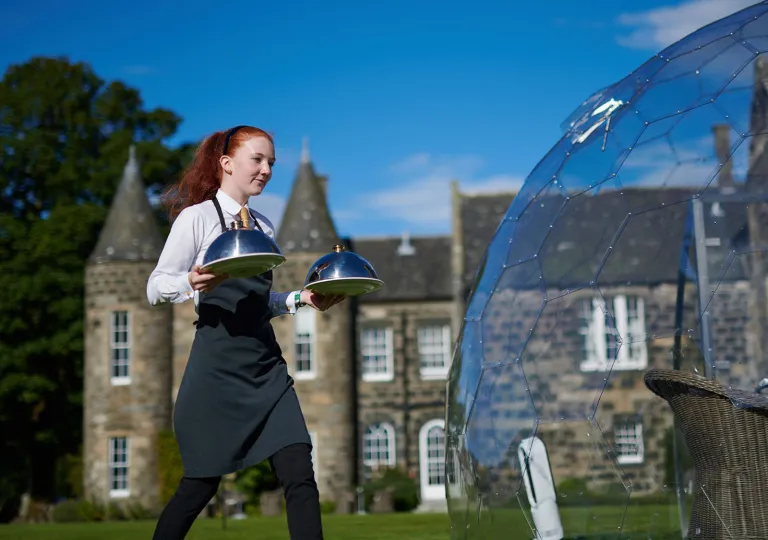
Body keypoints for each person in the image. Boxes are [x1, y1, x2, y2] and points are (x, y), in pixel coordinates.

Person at [146, 125, 344, 540]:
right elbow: (155, 287)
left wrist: (300, 300)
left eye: (271, 161)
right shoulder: (196, 219)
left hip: (266, 369)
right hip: (216, 370)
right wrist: (191, 281)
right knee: (199, 486)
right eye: (257, 159)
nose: (266, 169)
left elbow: (259, 302)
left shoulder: (265, 227)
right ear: (227, 163)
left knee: (299, 473)